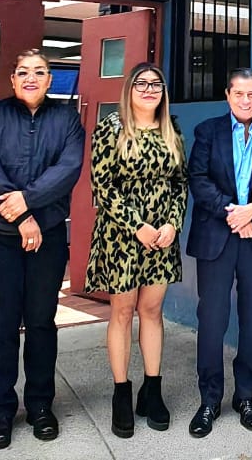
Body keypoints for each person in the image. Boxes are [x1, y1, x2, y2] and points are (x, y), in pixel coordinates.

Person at [0, 49, 86, 449]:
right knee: (2, 325)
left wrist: (29, 202)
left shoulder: (66, 119)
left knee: (40, 323)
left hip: (47, 237)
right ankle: (1, 410)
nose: (31, 78)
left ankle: (40, 406)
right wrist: (22, 218)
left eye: (39, 71)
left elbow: (68, 169)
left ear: (50, 80)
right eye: (23, 72)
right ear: (13, 80)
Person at [185, 68, 252, 438]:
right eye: (239, 94)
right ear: (227, 95)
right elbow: (198, 179)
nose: (245, 100)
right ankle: (209, 399)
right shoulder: (208, 131)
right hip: (217, 235)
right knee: (212, 320)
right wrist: (234, 214)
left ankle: (245, 396)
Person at [84, 61, 186, 439]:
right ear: (129, 89)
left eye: (155, 84)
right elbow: (102, 186)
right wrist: (137, 225)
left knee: (152, 311)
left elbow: (180, 184)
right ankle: (122, 392)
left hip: (161, 237)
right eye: (141, 83)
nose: (148, 90)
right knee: (123, 312)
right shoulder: (111, 128)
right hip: (122, 236)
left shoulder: (171, 129)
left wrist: (172, 223)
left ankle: (152, 390)